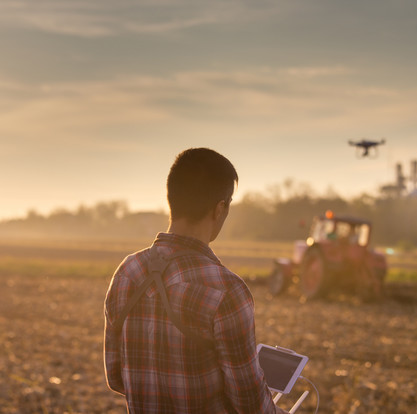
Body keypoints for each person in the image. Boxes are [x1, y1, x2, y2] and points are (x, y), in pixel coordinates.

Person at [104, 148, 285, 413]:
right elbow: (250, 404)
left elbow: (116, 377)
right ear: (220, 209)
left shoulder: (127, 272)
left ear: (171, 199)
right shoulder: (226, 289)